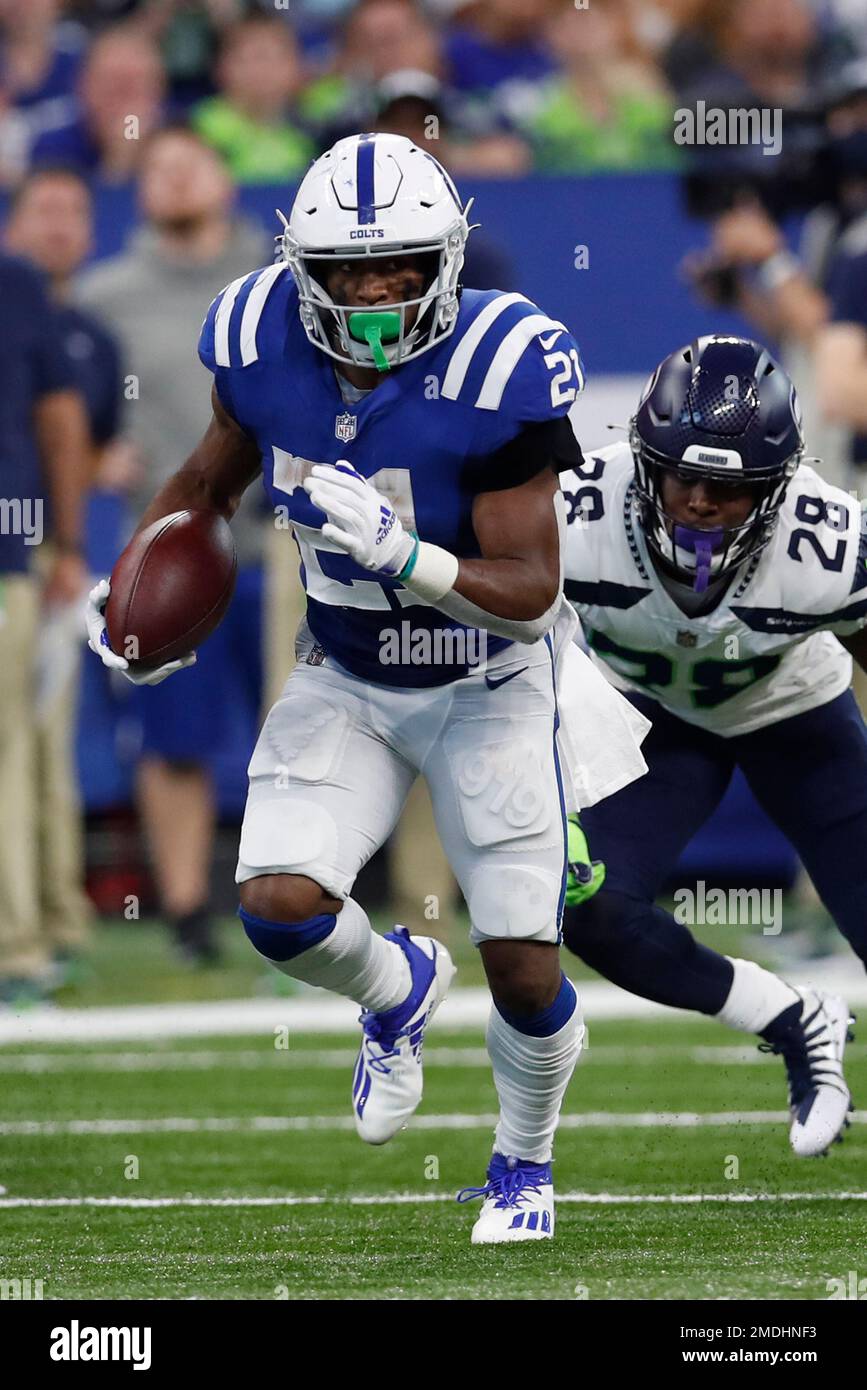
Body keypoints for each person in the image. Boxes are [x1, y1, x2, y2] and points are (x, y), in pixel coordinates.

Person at [86, 131, 650, 1242]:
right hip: (346, 667)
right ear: (305, 269)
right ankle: (394, 990)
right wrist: (136, 592)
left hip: (489, 675)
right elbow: (208, 477)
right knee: (280, 906)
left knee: (530, 968)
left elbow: (534, 590)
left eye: (401, 263)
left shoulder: (503, 363)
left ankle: (523, 1164)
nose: (379, 289)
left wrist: (407, 558)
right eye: (352, 269)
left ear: (447, 258)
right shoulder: (257, 339)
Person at [559, 335, 862, 1157]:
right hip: (649, 717)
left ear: (773, 486)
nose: (696, 501)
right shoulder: (575, 513)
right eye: (680, 475)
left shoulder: (823, 547)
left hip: (792, 711)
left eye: (726, 487)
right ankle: (790, 1019)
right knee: (587, 907)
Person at [76, 123, 270, 964]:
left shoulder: (281, 274)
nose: (176, 179)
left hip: (288, 546)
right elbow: (58, 403)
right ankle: (189, 913)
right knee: (173, 739)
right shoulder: (103, 295)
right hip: (167, 552)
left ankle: (306, 907)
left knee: (316, 731)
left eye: (191, 162)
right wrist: (91, 454)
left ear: (225, 179)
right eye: (157, 166)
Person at [4, 167, 123, 990]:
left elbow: (70, 425)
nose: (56, 226)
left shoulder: (52, 312)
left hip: (23, 549)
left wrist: (65, 540)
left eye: (70, 211)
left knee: (28, 747)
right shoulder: (25, 296)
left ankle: (30, 936)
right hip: (24, 550)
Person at [0, 249, 91, 1007]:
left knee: (7, 752)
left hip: (5, 557)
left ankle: (14, 949)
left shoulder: (14, 281)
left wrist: (66, 542)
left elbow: (60, 417)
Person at [190, 14, 314, 183]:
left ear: (297, 66)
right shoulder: (200, 128)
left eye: (271, 58)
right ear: (220, 67)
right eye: (247, 59)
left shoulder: (316, 125)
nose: (261, 70)